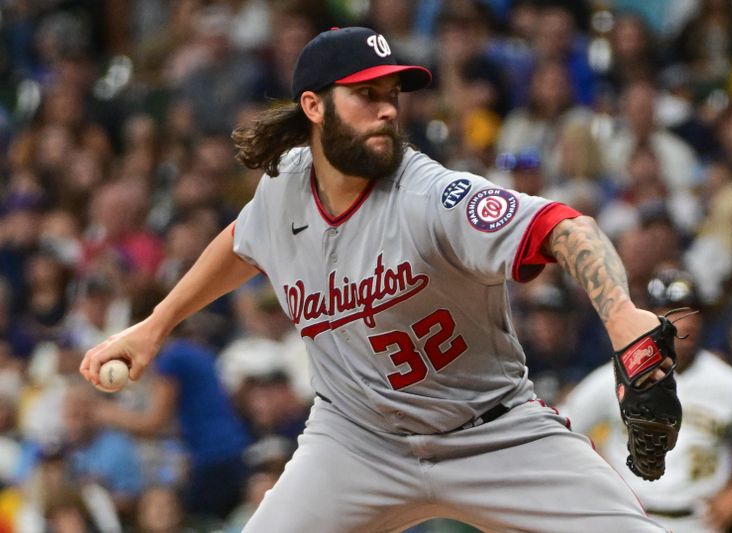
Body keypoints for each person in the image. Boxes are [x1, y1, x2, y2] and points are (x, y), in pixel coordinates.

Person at [81, 26, 675, 532]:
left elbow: (566, 228)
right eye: (366, 94)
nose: (388, 107)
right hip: (355, 441)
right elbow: (241, 242)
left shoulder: (432, 196)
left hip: (492, 433)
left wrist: (621, 314)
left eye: (392, 92)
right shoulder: (284, 187)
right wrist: (156, 325)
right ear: (313, 106)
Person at [561, 268, 732, 533]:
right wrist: (600, 477)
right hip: (630, 517)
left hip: (699, 521)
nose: (684, 322)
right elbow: (564, 427)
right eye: (671, 310)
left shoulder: (729, 383)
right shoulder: (618, 375)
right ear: (648, 317)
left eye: (690, 311)